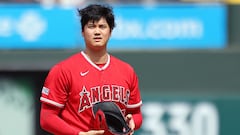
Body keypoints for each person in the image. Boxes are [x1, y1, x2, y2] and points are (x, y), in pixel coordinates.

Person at [40, 4, 143, 135]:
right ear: (82, 32)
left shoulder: (127, 71)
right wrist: (77, 134)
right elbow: (47, 118)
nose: (97, 32)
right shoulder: (63, 70)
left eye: (102, 27)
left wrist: (133, 121)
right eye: (91, 26)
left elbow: (136, 114)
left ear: (110, 32)